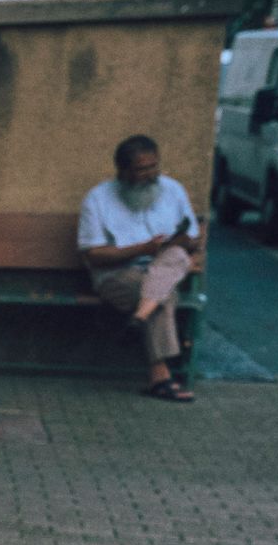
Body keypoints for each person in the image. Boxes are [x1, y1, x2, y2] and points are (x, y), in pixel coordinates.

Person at [77, 133, 203, 401]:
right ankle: (160, 376)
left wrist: (180, 241)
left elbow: (193, 239)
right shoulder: (97, 199)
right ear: (122, 171)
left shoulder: (172, 190)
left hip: (164, 266)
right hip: (118, 276)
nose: (150, 174)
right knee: (163, 294)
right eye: (142, 169)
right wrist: (142, 249)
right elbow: (94, 255)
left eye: (154, 166)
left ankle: (141, 320)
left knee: (177, 257)